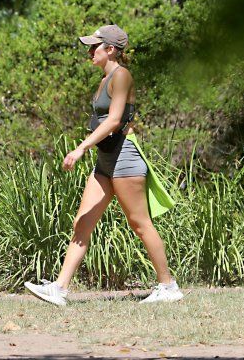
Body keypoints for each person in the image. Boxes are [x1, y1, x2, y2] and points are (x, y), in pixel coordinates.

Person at [24, 25, 183, 305]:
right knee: (82, 222)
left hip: (125, 158)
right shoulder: (105, 78)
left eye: (94, 47)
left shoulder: (121, 76)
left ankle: (168, 286)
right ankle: (59, 289)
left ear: (110, 49)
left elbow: (113, 120)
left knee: (139, 223)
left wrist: (81, 147)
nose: (89, 52)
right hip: (106, 159)